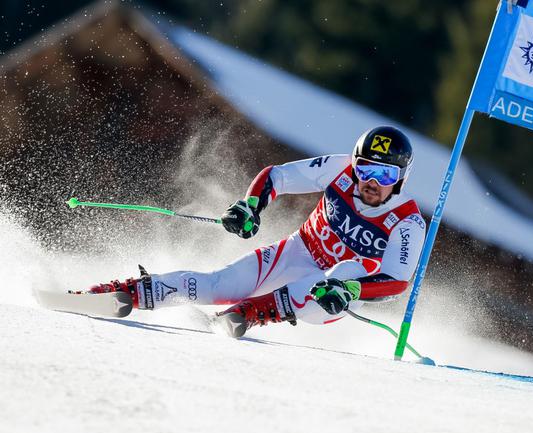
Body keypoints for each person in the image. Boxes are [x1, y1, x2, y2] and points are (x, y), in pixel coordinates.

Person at [86, 126, 427, 338]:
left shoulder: (407, 221)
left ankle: (249, 313)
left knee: (333, 281)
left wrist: (351, 289)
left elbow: (396, 281)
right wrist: (250, 206)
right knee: (219, 285)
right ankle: (127, 291)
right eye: (365, 169)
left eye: (384, 175)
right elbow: (276, 176)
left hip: (333, 292)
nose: (370, 182)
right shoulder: (339, 169)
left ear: (401, 178)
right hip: (298, 250)